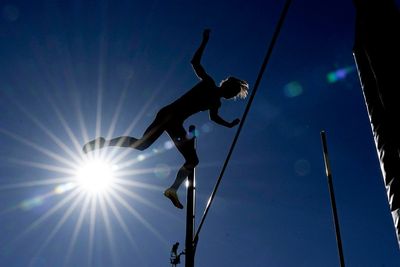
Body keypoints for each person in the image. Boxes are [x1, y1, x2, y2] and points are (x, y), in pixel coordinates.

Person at [83, 29, 248, 209]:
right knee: (142, 145)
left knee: (191, 160)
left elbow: (214, 118)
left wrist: (229, 124)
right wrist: (204, 41)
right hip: (168, 115)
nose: (231, 95)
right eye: (232, 91)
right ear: (226, 86)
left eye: (233, 94)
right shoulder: (208, 83)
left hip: (176, 122)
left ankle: (172, 190)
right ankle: (104, 143)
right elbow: (195, 62)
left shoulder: (216, 104)